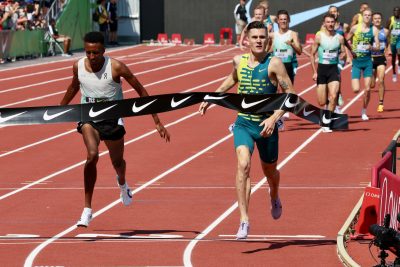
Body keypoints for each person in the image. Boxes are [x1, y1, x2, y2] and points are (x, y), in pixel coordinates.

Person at [59, 32, 170, 227]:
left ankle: (122, 183)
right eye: (88, 52)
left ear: (103, 50)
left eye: (95, 53)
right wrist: (59, 110)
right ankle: (87, 209)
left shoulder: (116, 67)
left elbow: (142, 92)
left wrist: (157, 121)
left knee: (117, 162)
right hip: (89, 117)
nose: (92, 57)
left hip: (112, 119)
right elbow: (73, 87)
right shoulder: (78, 66)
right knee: (92, 155)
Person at [199, 21, 296, 240]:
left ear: (267, 40)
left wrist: (274, 118)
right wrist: (212, 97)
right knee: (243, 164)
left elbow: (291, 96)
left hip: (266, 127)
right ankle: (244, 219)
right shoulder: (238, 61)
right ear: (247, 40)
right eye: (255, 37)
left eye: (262, 37)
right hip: (243, 122)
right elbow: (231, 80)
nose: (259, 41)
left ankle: (274, 195)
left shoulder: (275, 64)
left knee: (270, 172)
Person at [310, 14, 346, 132]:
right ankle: (326, 110)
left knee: (333, 96)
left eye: (332, 22)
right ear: (324, 23)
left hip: (333, 70)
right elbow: (312, 54)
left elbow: (343, 52)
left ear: (335, 23)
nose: (330, 24)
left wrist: (342, 57)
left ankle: (326, 123)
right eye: (328, 22)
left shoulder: (339, 37)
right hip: (321, 70)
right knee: (321, 102)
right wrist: (314, 72)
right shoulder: (319, 36)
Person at [269, 10, 302, 130]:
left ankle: (280, 118)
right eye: (281, 19)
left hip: (287, 66)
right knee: (274, 91)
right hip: (274, 66)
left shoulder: (293, 34)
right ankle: (277, 118)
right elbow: (268, 49)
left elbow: (299, 51)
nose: (283, 21)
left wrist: (292, 44)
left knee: (285, 93)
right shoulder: (272, 35)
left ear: (289, 20)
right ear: (277, 21)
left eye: (285, 19)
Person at [346, 8, 380, 121]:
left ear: (371, 17)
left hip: (367, 62)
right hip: (356, 62)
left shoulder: (374, 29)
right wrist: (349, 54)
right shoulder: (355, 28)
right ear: (362, 16)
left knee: (367, 89)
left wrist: (372, 47)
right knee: (356, 89)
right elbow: (345, 41)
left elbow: (378, 47)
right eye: (365, 15)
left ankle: (364, 111)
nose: (367, 17)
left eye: (369, 15)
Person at [371, 12, 389, 112]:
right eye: (375, 19)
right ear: (372, 20)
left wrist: (388, 49)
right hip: (370, 58)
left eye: (379, 18)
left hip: (381, 58)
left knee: (381, 80)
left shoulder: (385, 31)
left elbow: (388, 42)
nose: (377, 20)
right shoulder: (369, 31)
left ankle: (381, 103)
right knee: (372, 84)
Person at [387, 6, 400, 82]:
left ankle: (399, 65)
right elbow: (386, 29)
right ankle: (394, 73)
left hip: (399, 40)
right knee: (393, 58)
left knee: (399, 53)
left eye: (397, 11)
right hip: (392, 40)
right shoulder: (390, 19)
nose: (396, 12)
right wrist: (387, 42)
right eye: (394, 11)